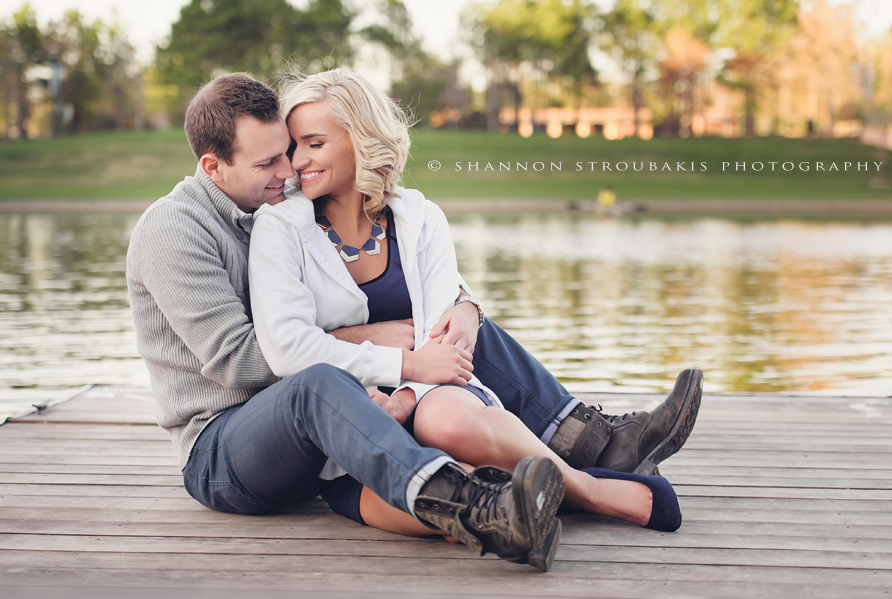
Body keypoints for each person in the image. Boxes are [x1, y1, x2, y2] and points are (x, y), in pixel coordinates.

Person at [125, 72, 566, 571]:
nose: (288, 169)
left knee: (455, 335)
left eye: (288, 150)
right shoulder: (173, 230)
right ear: (213, 166)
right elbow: (239, 363)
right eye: (269, 161)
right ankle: (483, 512)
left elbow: (400, 290)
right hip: (223, 450)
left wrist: (465, 304)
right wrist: (367, 344)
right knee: (319, 383)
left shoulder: (271, 205)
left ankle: (575, 446)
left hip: (311, 434)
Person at [248, 67, 696, 535]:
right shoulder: (280, 228)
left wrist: (405, 394)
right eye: (293, 146)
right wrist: (396, 364)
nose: (297, 161)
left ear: (361, 139)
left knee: (450, 424)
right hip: (351, 418)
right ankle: (590, 490)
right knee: (459, 487)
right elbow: (288, 347)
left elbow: (443, 335)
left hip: (424, 393)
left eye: (313, 144)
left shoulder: (420, 218)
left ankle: (580, 479)